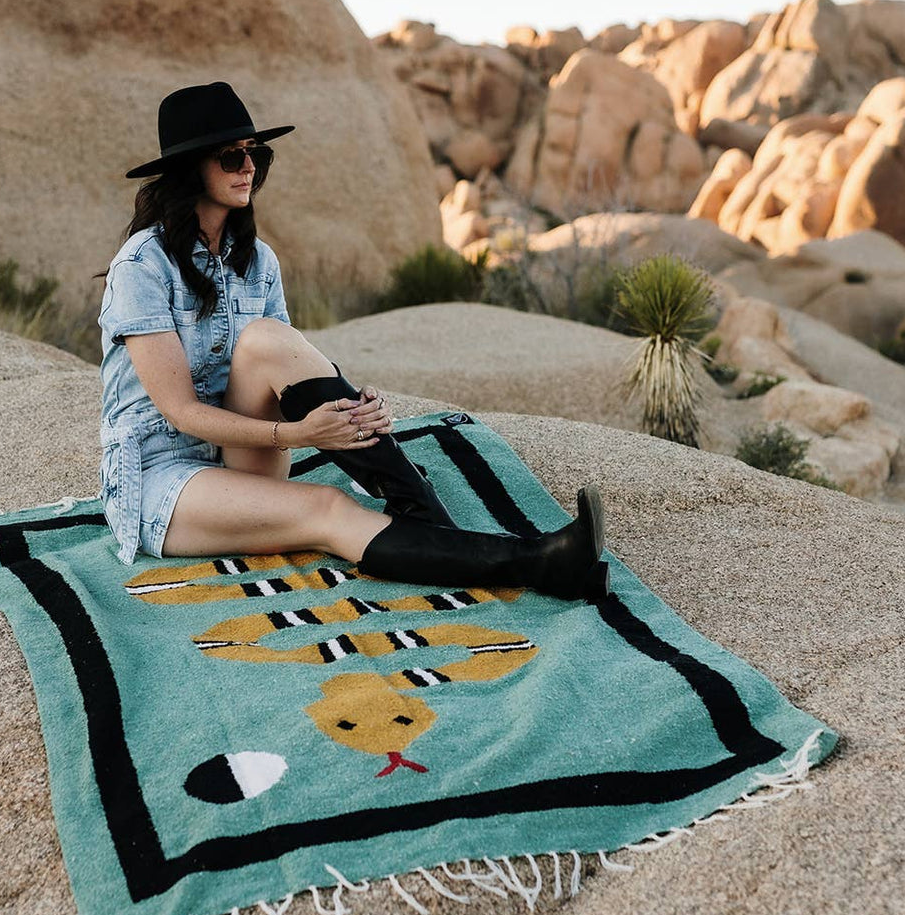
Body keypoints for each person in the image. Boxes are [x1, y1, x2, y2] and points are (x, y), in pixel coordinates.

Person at [98, 82, 609, 600]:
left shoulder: (257, 261)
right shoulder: (142, 266)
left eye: (257, 156)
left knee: (266, 338)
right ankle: (538, 563)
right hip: (162, 479)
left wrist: (354, 408)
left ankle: (419, 510)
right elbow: (181, 412)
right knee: (326, 508)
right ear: (190, 171)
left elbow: (287, 365)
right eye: (232, 158)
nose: (248, 168)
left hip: (239, 452)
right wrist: (298, 435)